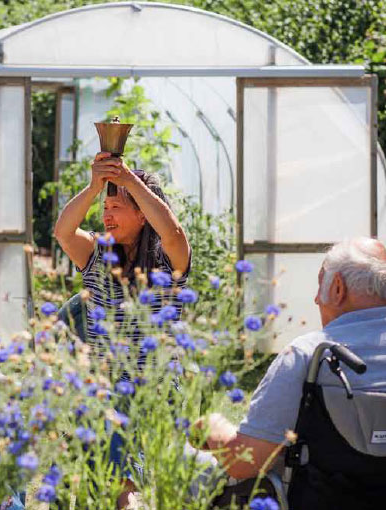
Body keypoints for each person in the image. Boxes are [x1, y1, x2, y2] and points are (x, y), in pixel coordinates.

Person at [195, 238, 386, 481]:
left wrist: (213, 424)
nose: (316, 299)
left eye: (320, 286)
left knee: (185, 463)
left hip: (319, 499)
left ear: (338, 288)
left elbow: (245, 462)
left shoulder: (308, 354)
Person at [54, 152, 191, 359]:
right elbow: (63, 233)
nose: (106, 216)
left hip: (155, 388)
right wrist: (94, 188)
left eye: (116, 207)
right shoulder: (97, 253)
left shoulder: (167, 259)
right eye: (105, 207)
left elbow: (173, 233)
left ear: (143, 214)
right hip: (103, 388)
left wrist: (129, 180)